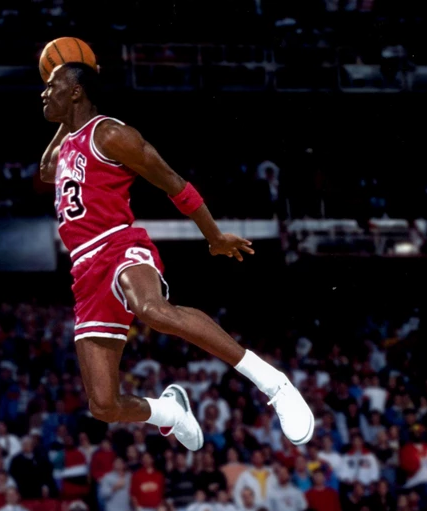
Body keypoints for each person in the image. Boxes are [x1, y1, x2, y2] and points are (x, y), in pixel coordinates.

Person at [37, 61, 313, 453]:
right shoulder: (67, 145)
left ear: (77, 91)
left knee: (152, 309)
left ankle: (274, 383)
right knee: (103, 405)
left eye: (52, 85)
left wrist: (214, 236)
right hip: (83, 268)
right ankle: (170, 412)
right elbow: (46, 170)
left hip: (117, 245)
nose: (44, 92)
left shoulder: (111, 133)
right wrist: (67, 116)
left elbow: (173, 182)